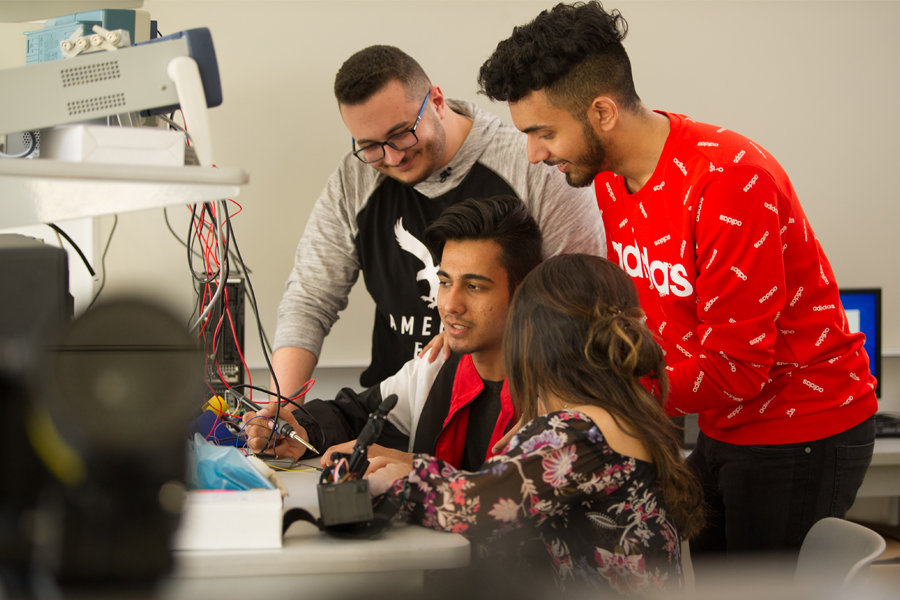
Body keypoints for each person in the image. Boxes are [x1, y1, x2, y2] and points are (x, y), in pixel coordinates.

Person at [474, 1, 877, 563]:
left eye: (543, 132)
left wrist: (597, 403)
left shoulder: (728, 183)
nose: (535, 153)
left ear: (603, 112)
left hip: (799, 427)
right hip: (719, 420)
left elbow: (736, 369)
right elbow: (651, 324)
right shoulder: (611, 180)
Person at [272, 45, 605, 395]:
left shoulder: (533, 167)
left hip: (505, 411)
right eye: (370, 146)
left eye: (402, 133)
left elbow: (582, 304)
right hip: (392, 407)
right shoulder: (355, 177)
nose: (393, 156)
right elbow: (309, 300)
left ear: (437, 100)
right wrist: (281, 406)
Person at [367, 254, 704, 596]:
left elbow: (469, 509)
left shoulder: (576, 433)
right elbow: (495, 490)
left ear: (531, 342)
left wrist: (391, 483)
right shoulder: (627, 417)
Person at [245, 195, 542, 471]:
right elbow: (354, 414)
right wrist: (301, 430)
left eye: (475, 287)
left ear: (523, 291)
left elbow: (517, 494)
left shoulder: (555, 392)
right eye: (445, 283)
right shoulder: (433, 368)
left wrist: (413, 466)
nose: (450, 305)